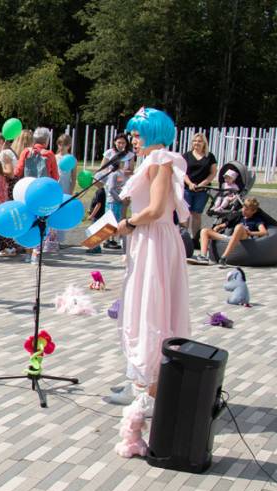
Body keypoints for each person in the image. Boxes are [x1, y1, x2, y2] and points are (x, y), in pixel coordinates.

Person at [105, 107, 190, 413]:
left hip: (154, 239)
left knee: (151, 309)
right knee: (140, 305)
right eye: (132, 134)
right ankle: (140, 380)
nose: (133, 140)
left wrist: (129, 223)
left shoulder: (160, 162)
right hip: (148, 239)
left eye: (138, 135)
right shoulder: (151, 162)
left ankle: (151, 390)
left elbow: (155, 210)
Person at [189, 197, 267, 266]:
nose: (243, 210)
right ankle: (203, 257)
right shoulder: (239, 216)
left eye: (246, 209)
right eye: (243, 208)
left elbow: (264, 232)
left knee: (239, 227)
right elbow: (225, 224)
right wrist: (218, 227)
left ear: (253, 211)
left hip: (245, 239)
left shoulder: (256, 220)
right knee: (204, 231)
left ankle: (224, 257)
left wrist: (251, 233)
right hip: (232, 238)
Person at [96, 133, 135, 250]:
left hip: (124, 185)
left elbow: (131, 170)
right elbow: (102, 169)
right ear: (114, 142)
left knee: (122, 212)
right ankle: (108, 238)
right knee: (111, 212)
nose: (121, 145)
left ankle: (119, 237)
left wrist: (125, 171)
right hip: (112, 184)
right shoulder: (109, 153)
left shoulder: (129, 155)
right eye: (119, 142)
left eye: (123, 143)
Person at [183, 132, 218, 239]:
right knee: (185, 213)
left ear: (204, 143)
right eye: (195, 141)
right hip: (187, 188)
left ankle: (195, 238)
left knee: (196, 214)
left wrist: (203, 184)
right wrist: (189, 183)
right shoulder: (186, 155)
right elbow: (182, 171)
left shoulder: (210, 156)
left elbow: (213, 172)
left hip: (202, 190)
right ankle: (184, 237)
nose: (197, 143)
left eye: (199, 141)